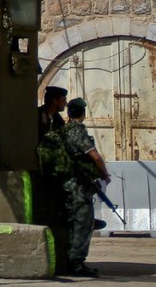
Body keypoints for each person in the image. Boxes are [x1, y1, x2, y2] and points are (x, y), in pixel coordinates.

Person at [61, 97, 110, 277]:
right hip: (79, 186)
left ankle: (71, 260)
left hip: (68, 184)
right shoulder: (77, 131)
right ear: (83, 112)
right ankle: (76, 263)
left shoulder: (63, 131)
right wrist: (104, 174)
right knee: (83, 223)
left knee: (74, 223)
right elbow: (95, 156)